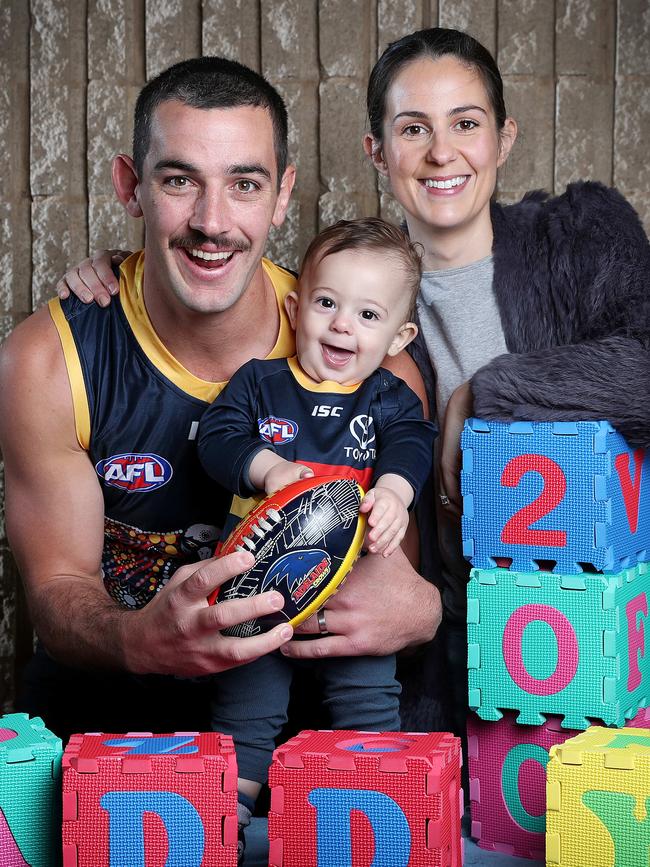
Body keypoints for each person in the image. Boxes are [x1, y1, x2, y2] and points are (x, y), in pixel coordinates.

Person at [0, 55, 441, 742]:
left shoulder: (367, 362)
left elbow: (393, 592)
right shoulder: (48, 360)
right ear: (131, 186)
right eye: (179, 180)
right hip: (111, 725)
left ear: (283, 193)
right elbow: (57, 591)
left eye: (244, 183)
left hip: (298, 745)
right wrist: (137, 638)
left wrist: (425, 610)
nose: (212, 221)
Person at [361, 26, 650, 733]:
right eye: (412, 129)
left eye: (466, 123)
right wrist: (119, 273)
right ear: (377, 152)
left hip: (608, 648)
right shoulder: (349, 294)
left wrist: (489, 390)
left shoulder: (581, 236)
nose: (441, 152)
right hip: (445, 673)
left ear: (504, 137)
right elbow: (240, 319)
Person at [197, 217, 436, 849]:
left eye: (367, 315)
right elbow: (218, 438)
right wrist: (267, 467)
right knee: (246, 700)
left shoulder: (387, 399)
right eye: (327, 304)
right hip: (260, 581)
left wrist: (394, 493)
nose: (341, 325)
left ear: (397, 335)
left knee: (367, 693)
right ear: (296, 307)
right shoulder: (260, 382)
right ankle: (231, 816)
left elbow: (412, 447)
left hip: (349, 587)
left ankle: (377, 800)